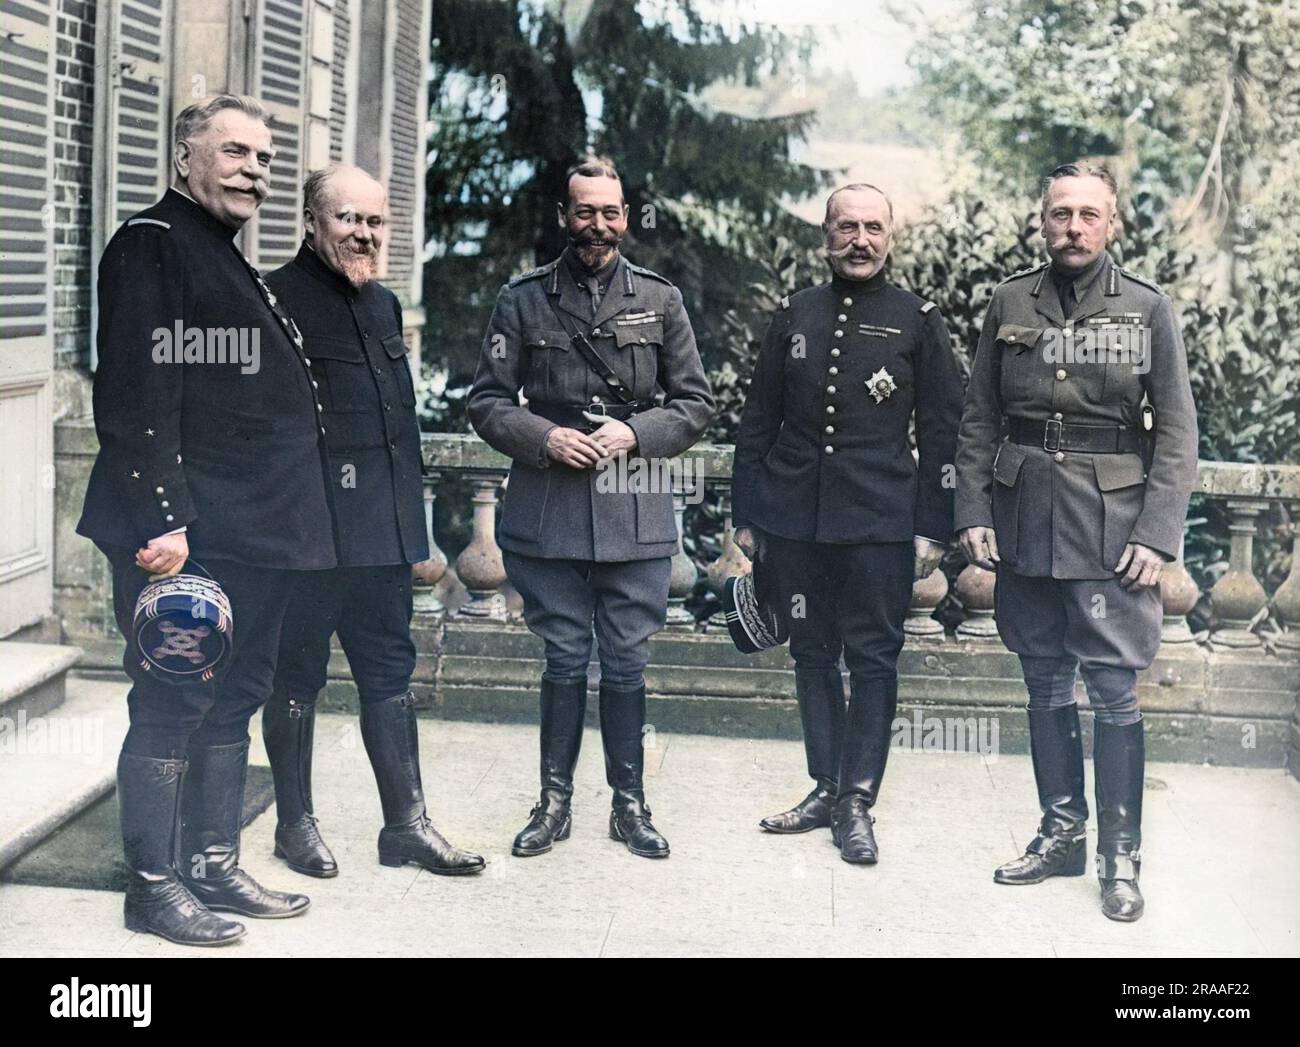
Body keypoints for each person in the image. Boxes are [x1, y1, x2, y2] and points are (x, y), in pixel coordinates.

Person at [77, 95, 336, 946]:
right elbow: (137, 395)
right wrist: (165, 521)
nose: (253, 171)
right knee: (171, 698)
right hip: (184, 535)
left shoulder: (224, 258)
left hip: (251, 533)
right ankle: (153, 885)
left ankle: (213, 863)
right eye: (234, 152)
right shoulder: (154, 245)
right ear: (185, 156)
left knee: (235, 698)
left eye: (264, 159)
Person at [955, 160, 1198, 921]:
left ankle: (1119, 856)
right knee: (1043, 679)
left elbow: (1179, 432)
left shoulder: (1147, 309)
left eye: (1089, 215)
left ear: (1113, 223)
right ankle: (1061, 830)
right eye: (1061, 213)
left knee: (1114, 688)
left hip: (1113, 525)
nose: (1073, 227)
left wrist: (1158, 533)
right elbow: (978, 420)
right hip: (1026, 515)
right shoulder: (1008, 301)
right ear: (1042, 218)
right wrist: (974, 512)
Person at [468, 156, 714, 860]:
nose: (597, 226)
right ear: (563, 217)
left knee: (628, 664)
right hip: (548, 509)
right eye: (584, 212)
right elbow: (485, 399)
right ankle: (553, 802)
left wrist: (635, 432)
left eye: (610, 213)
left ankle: (630, 805)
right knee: (565, 659)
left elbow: (695, 403)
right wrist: (545, 437)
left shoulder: (661, 300)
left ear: (626, 218)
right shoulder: (522, 299)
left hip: (634, 508)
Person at [261, 165, 484, 880]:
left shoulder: (385, 306)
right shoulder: (273, 300)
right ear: (311, 222)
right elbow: (262, 435)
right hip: (308, 540)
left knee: (390, 677)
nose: (364, 234)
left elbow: (399, 436)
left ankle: (406, 826)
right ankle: (294, 825)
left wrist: (409, 540)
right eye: (347, 219)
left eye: (375, 222)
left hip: (379, 546)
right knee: (295, 678)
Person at [731, 183, 964, 864]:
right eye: (845, 227)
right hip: (796, 518)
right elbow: (757, 421)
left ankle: (857, 800)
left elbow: (942, 432)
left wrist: (933, 526)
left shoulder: (918, 319)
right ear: (824, 235)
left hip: (878, 521)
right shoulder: (793, 313)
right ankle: (823, 786)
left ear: (891, 238)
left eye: (873, 228)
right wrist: (749, 514)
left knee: (872, 657)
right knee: (809, 652)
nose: (859, 240)